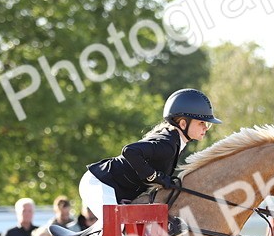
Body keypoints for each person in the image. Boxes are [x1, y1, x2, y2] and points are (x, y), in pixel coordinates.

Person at [79, 88, 220, 225]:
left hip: (114, 188)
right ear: (183, 123)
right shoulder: (168, 143)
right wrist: (154, 176)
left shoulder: (176, 142)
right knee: (115, 227)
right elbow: (129, 151)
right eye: (202, 122)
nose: (206, 127)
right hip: (100, 183)